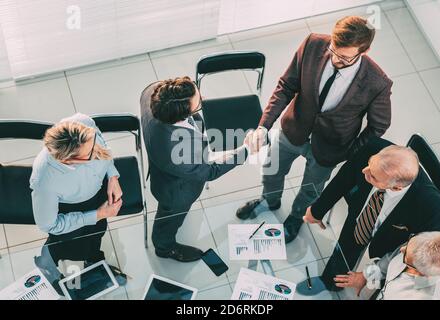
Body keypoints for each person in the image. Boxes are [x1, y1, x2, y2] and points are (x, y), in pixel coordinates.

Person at [236, 16, 393, 243]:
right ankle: (269, 201)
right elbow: (286, 86)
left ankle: (296, 217)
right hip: (294, 128)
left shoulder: (377, 82)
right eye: (333, 51)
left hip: (331, 147)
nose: (335, 59)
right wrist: (263, 126)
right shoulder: (312, 44)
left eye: (344, 57)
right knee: (271, 169)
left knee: (311, 189)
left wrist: (350, 152)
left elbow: (379, 126)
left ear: (365, 50)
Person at [299, 137, 440, 293]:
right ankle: (330, 282)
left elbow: (427, 258)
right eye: (369, 165)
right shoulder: (374, 148)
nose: (365, 171)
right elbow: (344, 177)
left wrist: (369, 275)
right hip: (361, 216)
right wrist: (317, 210)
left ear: (397, 188)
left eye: (373, 177)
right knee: (346, 246)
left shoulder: (432, 208)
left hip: (392, 241)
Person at [140, 76, 251, 263]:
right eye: (199, 102)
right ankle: (164, 247)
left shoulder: (151, 91)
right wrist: (246, 150)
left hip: (166, 167)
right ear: (182, 113)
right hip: (176, 192)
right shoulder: (177, 152)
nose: (203, 99)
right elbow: (209, 171)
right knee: (170, 218)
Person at [31, 113, 127, 289]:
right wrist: (97, 214)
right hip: (70, 206)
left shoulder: (85, 125)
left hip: (96, 192)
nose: (98, 150)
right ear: (69, 160)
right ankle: (48, 258)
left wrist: (112, 176)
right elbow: (49, 225)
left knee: (98, 230)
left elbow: (102, 147)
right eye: (91, 153)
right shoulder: (45, 179)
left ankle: (93, 262)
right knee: (74, 245)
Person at [334, 231, 440, 300]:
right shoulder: (418, 246)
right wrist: (366, 276)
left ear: (419, 272)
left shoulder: (428, 295)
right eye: (409, 242)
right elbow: (389, 260)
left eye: (405, 256)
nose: (402, 249)